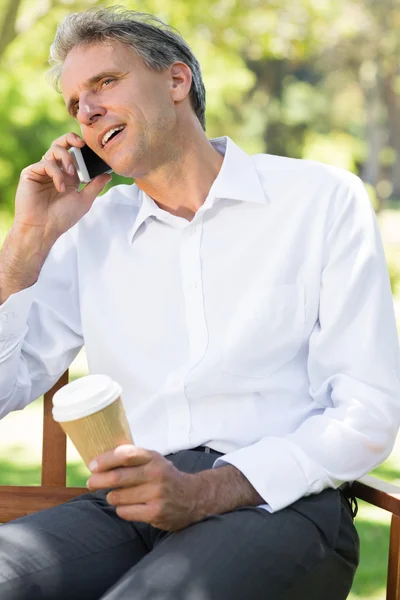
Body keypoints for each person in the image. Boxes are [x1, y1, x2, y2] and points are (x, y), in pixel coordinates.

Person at [0, 5, 398, 600]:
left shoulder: (317, 200)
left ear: (177, 80)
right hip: (132, 509)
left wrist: (208, 491)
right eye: (75, 103)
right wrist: (24, 249)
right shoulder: (88, 230)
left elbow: (369, 410)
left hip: (278, 506)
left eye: (105, 82)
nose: (87, 110)